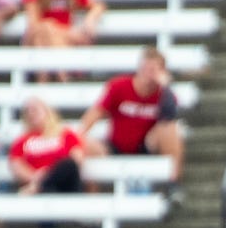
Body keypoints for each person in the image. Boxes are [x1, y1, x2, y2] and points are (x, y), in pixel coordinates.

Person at [78, 46, 186, 201]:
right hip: (115, 145)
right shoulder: (119, 87)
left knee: (169, 129)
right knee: (86, 144)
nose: (148, 74)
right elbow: (97, 112)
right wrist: (78, 135)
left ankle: (174, 182)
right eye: (145, 69)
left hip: (146, 146)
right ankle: (92, 202)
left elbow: (170, 115)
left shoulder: (164, 95)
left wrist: (165, 86)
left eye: (153, 70)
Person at [9, 96, 86, 195]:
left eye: (35, 109)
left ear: (47, 111)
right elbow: (16, 164)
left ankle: (40, 186)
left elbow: (77, 159)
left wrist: (49, 174)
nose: (31, 113)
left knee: (68, 165)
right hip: (38, 184)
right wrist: (34, 176)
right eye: (27, 111)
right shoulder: (22, 141)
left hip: (64, 185)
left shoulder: (65, 134)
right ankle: (42, 186)